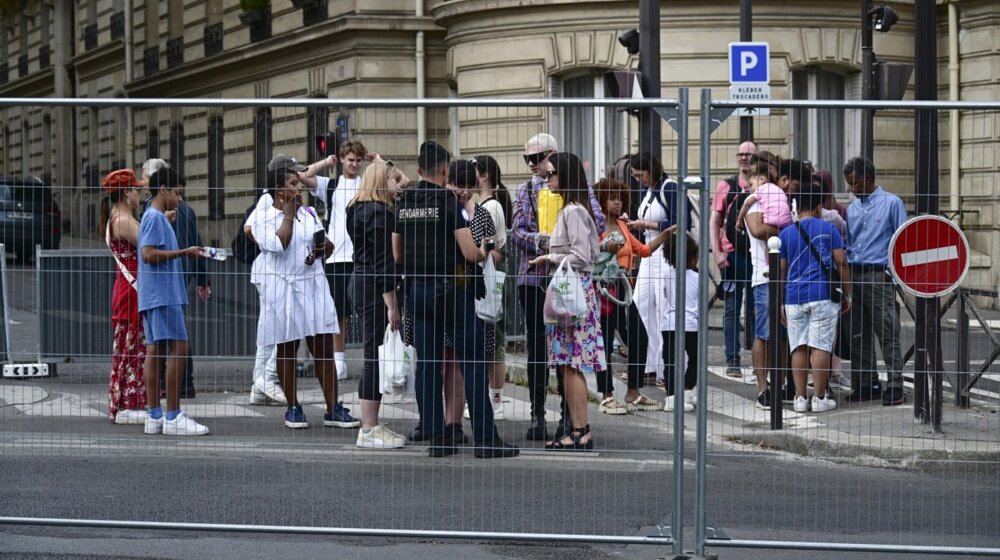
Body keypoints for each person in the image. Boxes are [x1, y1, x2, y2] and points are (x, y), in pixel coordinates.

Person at [393, 140, 518, 459]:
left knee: (428, 365)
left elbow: (397, 253)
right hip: (451, 290)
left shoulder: (405, 201)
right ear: (445, 169)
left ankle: (438, 438)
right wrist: (485, 250)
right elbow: (470, 252)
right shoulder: (449, 203)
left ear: (419, 169)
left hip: (417, 291)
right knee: (473, 363)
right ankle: (486, 441)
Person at [510, 133, 605, 442]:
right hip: (538, 280)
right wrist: (541, 242)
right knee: (546, 353)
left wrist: (550, 251)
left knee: (569, 361)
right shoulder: (526, 191)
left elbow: (588, 239)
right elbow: (516, 231)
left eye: (541, 161)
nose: (535, 167)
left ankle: (574, 424)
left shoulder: (575, 203)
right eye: (529, 160)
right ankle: (542, 415)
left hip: (567, 285)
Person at [246, 166, 355, 429]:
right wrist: (288, 215)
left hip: (312, 285)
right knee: (287, 347)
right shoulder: (264, 217)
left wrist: (321, 248)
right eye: (293, 183)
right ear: (279, 190)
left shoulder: (308, 213)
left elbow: (326, 245)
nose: (299, 187)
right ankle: (293, 406)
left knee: (323, 348)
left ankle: (333, 408)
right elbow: (279, 244)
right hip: (284, 290)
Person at [138, 168, 209, 436]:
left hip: (154, 294)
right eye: (177, 192)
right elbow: (148, 254)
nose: (180, 199)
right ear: (164, 189)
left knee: (154, 351)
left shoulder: (154, 216)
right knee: (180, 347)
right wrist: (185, 251)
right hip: (164, 293)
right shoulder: (154, 218)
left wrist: (166, 221)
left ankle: (155, 415)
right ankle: (173, 415)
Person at [346, 160, 409, 448]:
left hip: (357, 280)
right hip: (374, 287)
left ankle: (370, 424)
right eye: (392, 180)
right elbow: (384, 264)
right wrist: (392, 306)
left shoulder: (354, 209)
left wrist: (383, 166)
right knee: (375, 354)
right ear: (382, 181)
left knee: (373, 352)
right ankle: (369, 427)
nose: (399, 186)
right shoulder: (382, 215)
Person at [778, 177, 852, 413]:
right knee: (820, 346)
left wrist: (781, 301)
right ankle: (820, 398)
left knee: (798, 346)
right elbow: (841, 261)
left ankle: (800, 398)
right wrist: (847, 293)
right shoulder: (829, 229)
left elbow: (781, 269)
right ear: (819, 207)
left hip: (793, 296)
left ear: (797, 208)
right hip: (822, 294)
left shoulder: (786, 233)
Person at [593, 177, 666, 414]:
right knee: (603, 344)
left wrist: (666, 235)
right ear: (602, 199)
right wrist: (604, 247)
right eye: (612, 198)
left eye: (620, 198)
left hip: (624, 292)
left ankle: (633, 392)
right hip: (604, 291)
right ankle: (606, 395)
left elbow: (642, 250)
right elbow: (590, 254)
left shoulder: (623, 225)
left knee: (639, 338)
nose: (617, 202)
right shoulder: (596, 226)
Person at [302, 140, 369, 381]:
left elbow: (399, 181)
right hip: (336, 257)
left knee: (366, 311)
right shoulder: (331, 186)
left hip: (361, 256)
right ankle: (339, 362)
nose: (354, 164)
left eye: (358, 160)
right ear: (341, 160)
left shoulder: (367, 185)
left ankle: (374, 361)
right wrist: (324, 162)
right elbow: (302, 176)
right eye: (350, 159)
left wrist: (378, 162)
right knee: (338, 313)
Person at [843, 157, 907, 406]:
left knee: (888, 331)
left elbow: (902, 238)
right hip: (856, 273)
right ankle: (866, 382)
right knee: (858, 333)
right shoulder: (852, 209)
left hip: (879, 273)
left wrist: (892, 273)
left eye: (855, 182)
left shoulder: (892, 203)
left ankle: (895, 383)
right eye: (849, 183)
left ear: (868, 179)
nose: (852, 188)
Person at [626, 152, 688, 387]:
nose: (638, 179)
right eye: (634, 176)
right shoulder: (649, 190)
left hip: (664, 253)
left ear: (651, 170)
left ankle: (666, 369)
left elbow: (681, 221)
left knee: (663, 310)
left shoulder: (668, 188)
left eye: (640, 174)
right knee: (640, 306)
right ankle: (649, 364)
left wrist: (647, 225)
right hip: (648, 252)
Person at [100, 168, 147, 424]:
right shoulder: (123, 221)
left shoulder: (118, 217)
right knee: (134, 347)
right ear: (127, 193)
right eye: (136, 189)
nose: (139, 193)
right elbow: (150, 243)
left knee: (131, 346)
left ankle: (129, 401)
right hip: (132, 291)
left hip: (128, 288)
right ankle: (129, 403)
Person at [710, 141, 757, 376]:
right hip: (732, 256)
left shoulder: (761, 185)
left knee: (756, 308)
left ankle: (760, 359)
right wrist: (717, 252)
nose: (743, 158)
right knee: (731, 308)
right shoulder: (726, 186)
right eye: (740, 154)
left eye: (748, 154)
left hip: (757, 256)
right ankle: (733, 360)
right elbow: (714, 221)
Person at [471, 155, 512, 419]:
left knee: (493, 341)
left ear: (484, 175)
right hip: (488, 278)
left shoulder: (492, 207)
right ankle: (490, 396)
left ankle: (495, 399)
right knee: (488, 340)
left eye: (473, 171)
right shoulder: (486, 203)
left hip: (492, 280)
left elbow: (496, 251)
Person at [742, 168, 786, 410]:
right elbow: (758, 231)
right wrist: (786, 231)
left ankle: (779, 384)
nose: (751, 187)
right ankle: (763, 389)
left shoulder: (778, 202)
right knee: (763, 332)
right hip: (763, 276)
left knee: (780, 334)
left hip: (783, 275)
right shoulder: (755, 204)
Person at [661, 230, 700, 412]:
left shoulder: (667, 275)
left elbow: (666, 296)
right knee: (694, 359)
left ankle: (671, 397)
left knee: (670, 361)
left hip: (669, 323)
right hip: (690, 325)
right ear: (692, 256)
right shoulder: (697, 277)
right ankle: (685, 391)